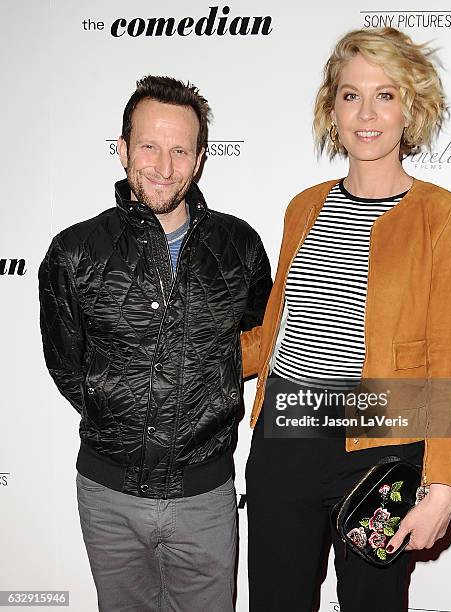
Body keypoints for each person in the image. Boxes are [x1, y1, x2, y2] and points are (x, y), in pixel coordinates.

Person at [245, 28, 451, 611]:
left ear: (411, 108)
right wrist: (189, 354)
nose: (366, 113)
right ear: (332, 108)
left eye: (385, 94)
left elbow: (450, 360)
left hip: (381, 447)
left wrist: (443, 488)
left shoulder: (445, 217)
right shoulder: (304, 205)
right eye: (350, 95)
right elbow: (272, 335)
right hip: (285, 441)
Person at [38, 75, 272, 612]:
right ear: (122, 151)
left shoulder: (239, 246)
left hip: (207, 496)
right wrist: (117, 412)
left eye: (179, 150)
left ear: (199, 159)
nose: (163, 167)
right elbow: (66, 364)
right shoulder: (75, 251)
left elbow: (253, 341)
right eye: (148, 146)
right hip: (107, 496)